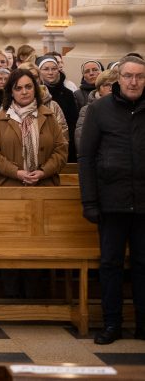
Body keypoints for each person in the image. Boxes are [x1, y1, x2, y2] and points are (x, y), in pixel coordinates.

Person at [79, 55, 145, 345]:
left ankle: (143, 324)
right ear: (118, 78)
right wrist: (90, 202)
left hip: (144, 203)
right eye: (129, 76)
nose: (134, 82)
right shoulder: (99, 109)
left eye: (140, 77)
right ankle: (111, 324)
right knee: (111, 265)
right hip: (111, 202)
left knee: (144, 265)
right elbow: (86, 158)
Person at [0, 68, 67, 186]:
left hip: (44, 186)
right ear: (11, 92)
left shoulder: (49, 116)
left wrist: (43, 172)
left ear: (35, 89)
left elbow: (61, 151)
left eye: (28, 87)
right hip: (8, 188)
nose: (24, 92)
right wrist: (16, 172)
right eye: (18, 88)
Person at [37, 56, 79, 162]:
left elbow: (73, 122)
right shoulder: (35, 94)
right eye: (46, 69)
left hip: (63, 143)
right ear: (39, 72)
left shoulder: (68, 94)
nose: (50, 72)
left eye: (54, 69)